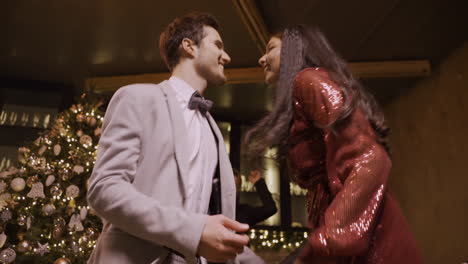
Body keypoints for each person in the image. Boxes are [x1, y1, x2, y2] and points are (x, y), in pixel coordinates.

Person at [244, 25, 422, 263]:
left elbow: (371, 159)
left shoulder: (308, 80)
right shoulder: (304, 90)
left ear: (294, 50)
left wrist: (327, 238)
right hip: (353, 238)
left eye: (270, 48)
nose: (261, 58)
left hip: (368, 240)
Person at [87, 12, 252, 264]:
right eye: (217, 45)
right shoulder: (137, 98)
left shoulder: (213, 129)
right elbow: (104, 188)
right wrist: (192, 231)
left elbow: (213, 222)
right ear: (189, 46)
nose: (226, 56)